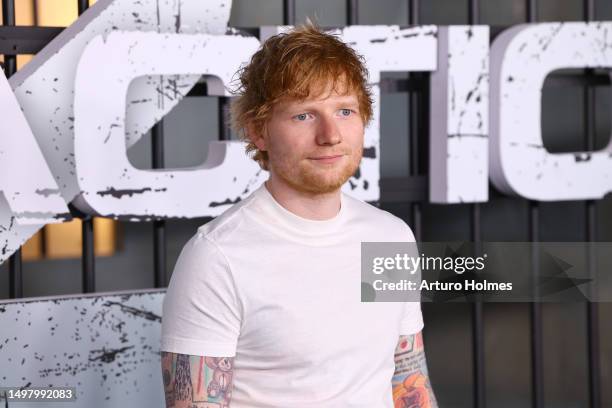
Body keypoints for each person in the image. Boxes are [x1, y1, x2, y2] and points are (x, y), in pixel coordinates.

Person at [160, 21, 438, 408]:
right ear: (259, 132)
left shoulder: (390, 237)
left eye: (344, 110)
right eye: (304, 115)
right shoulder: (216, 257)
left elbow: (409, 380)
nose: (330, 135)